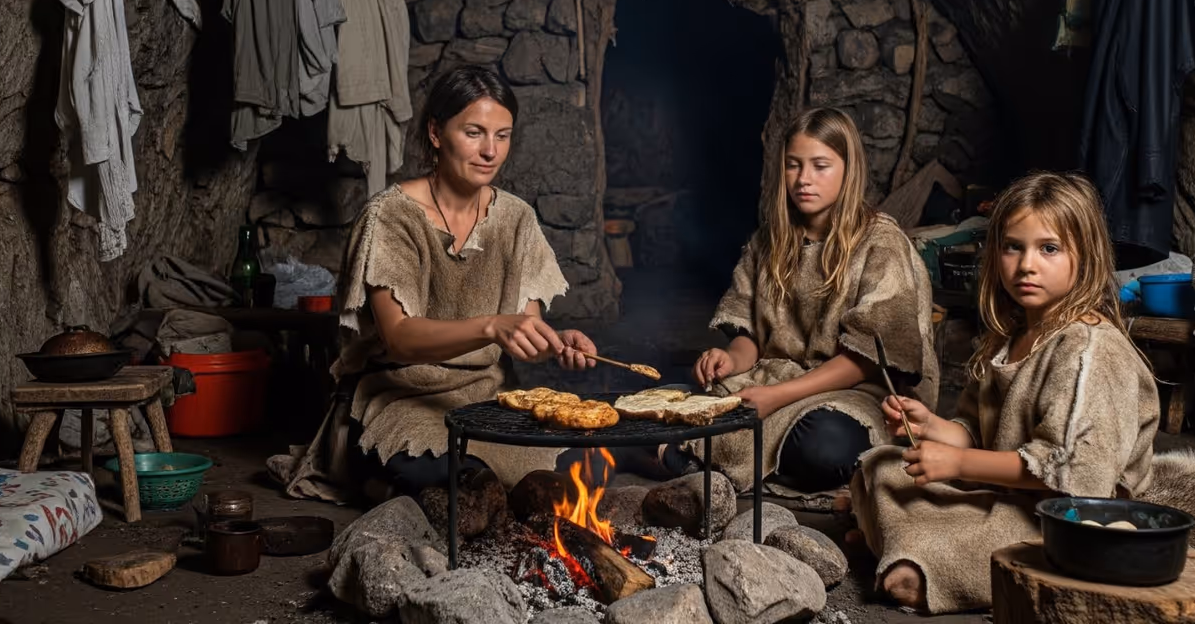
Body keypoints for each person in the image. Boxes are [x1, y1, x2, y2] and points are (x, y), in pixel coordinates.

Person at [277, 65, 598, 503]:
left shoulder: (516, 219)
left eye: (502, 136)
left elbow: (522, 327)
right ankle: (374, 475)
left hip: (487, 398)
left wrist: (555, 343)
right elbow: (400, 338)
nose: (490, 151)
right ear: (435, 133)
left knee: (582, 467)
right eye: (474, 132)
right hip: (398, 399)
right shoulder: (391, 217)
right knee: (457, 479)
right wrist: (490, 326)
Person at [850, 172, 1161, 612]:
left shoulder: (1090, 350)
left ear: (1085, 257)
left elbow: (1077, 476)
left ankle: (897, 544)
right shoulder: (1009, 335)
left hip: (1068, 524)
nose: (1026, 265)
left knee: (906, 582)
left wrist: (957, 463)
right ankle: (897, 533)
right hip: (1005, 496)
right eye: (1013, 247)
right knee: (878, 467)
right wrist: (933, 427)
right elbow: (978, 433)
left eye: (1048, 249)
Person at [658, 107, 938, 496]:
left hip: (851, 393)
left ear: (848, 169)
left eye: (820, 166)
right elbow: (748, 333)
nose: (804, 179)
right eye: (794, 166)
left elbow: (864, 360)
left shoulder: (880, 243)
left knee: (825, 445)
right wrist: (731, 360)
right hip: (773, 378)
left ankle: (691, 460)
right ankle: (715, 459)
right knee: (665, 403)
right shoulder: (768, 241)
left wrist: (776, 399)